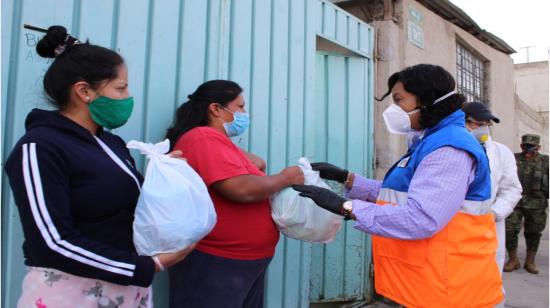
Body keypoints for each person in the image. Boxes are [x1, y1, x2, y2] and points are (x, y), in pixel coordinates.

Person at [5, 25, 193, 308]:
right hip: (71, 294)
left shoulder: (112, 144)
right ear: (84, 91)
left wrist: (166, 176)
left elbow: (129, 209)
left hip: (127, 291)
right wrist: (145, 267)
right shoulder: (40, 147)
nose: (128, 97)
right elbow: (52, 241)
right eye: (121, 88)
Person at [293, 64, 504, 307]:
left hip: (451, 289)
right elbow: (400, 194)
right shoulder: (429, 141)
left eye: (399, 100)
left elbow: (421, 217)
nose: (393, 109)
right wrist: (347, 178)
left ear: (426, 100)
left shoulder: (449, 148)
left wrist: (347, 207)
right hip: (428, 283)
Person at [165, 80, 304, 308]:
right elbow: (239, 188)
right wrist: (286, 178)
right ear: (216, 109)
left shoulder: (216, 141)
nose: (245, 113)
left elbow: (255, 164)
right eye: (240, 107)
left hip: (241, 262)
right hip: (216, 261)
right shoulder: (201, 137)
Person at [462, 102, 522, 306]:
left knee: (487, 283)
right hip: (453, 228)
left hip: (488, 225)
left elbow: (512, 189)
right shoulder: (448, 147)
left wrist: (495, 213)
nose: (483, 129)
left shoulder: (501, 152)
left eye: (486, 124)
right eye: (477, 124)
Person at [504, 134, 549, 274]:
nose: (528, 150)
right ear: (521, 146)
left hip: (537, 204)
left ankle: (530, 261)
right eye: (526, 146)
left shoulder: (545, 161)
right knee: (509, 230)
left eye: (532, 147)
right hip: (515, 202)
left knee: (534, 232)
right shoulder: (513, 158)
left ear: (539, 147)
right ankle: (513, 260)